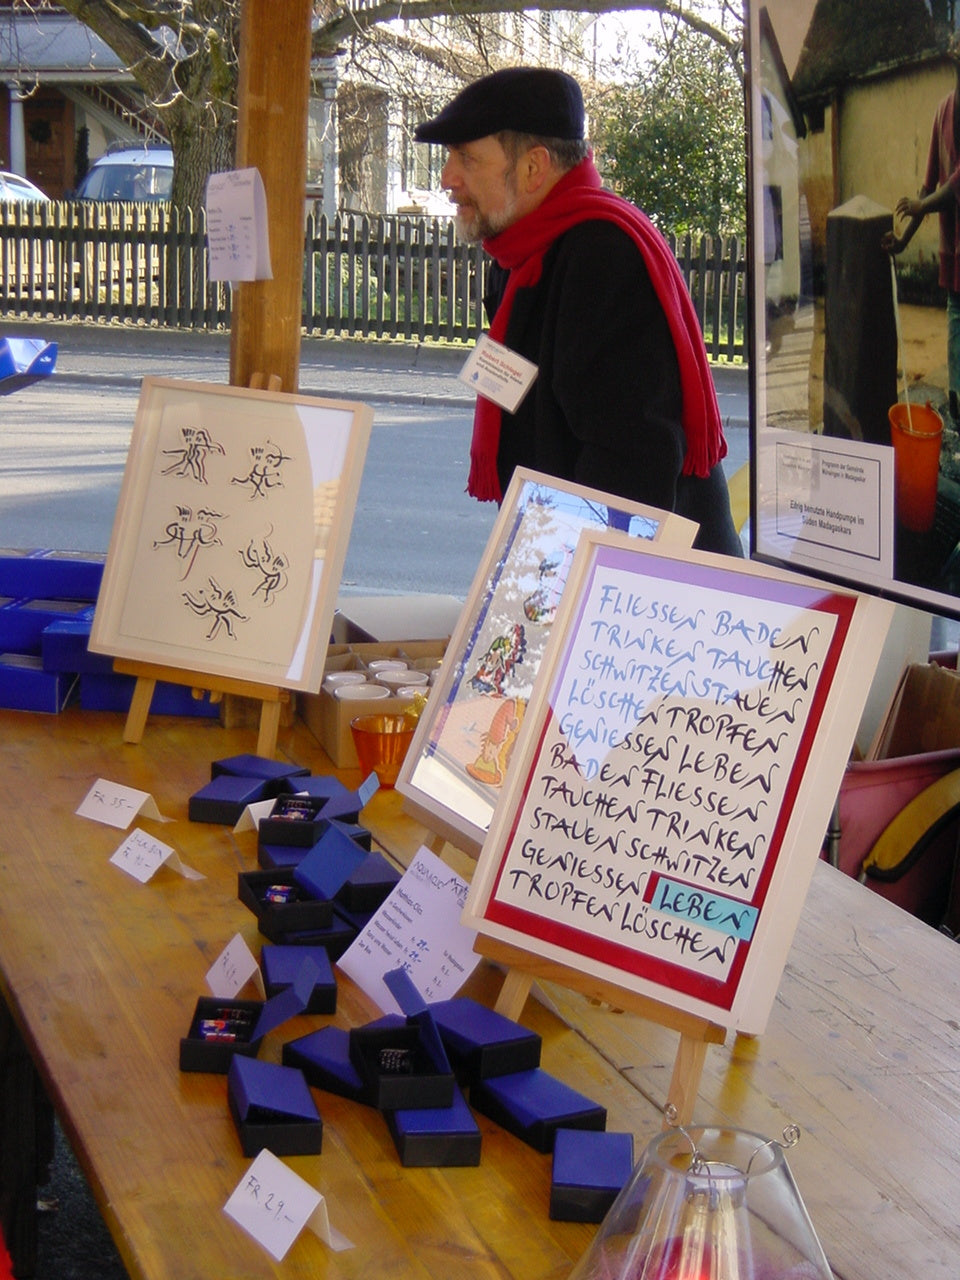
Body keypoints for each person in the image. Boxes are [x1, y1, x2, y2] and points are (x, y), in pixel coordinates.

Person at [414, 66, 742, 555]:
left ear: (533, 167)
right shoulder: (523, 252)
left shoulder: (602, 255)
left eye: (467, 157)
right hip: (575, 552)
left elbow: (629, 468)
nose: (447, 177)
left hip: (643, 591)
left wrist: (555, 593)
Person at [884, 36, 960, 421]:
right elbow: (930, 185)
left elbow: (954, 185)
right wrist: (903, 241)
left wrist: (921, 205)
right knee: (956, 327)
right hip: (955, 251)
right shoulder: (944, 110)